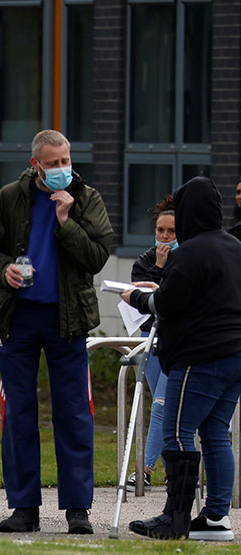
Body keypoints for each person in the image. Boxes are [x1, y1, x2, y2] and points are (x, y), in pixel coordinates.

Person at [0, 130, 113, 535]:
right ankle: (23, 507)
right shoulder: (10, 197)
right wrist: (4, 271)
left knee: (73, 413)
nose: (62, 170)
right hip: (18, 318)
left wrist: (67, 221)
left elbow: (97, 257)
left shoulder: (86, 199)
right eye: (53, 164)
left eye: (65, 161)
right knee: (19, 414)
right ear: (36, 165)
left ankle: (77, 509)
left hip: (67, 320)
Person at [123, 176, 241, 542]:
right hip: (235, 353)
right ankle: (216, 519)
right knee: (216, 433)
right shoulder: (235, 246)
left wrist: (135, 297)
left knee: (175, 433)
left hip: (201, 356)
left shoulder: (190, 251)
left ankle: (174, 517)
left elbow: (166, 303)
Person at [124, 195, 176, 492]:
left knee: (161, 404)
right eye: (161, 231)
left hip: (176, 339)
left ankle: (144, 467)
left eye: (171, 231)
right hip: (150, 339)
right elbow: (144, 305)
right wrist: (157, 266)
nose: (165, 237)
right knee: (162, 404)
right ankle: (173, 471)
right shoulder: (144, 261)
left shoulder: (186, 259)